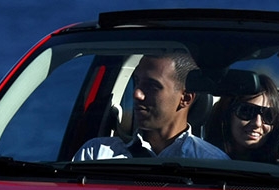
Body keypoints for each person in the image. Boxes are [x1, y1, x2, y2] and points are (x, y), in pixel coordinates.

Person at [73, 52, 228, 161]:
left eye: (152, 86)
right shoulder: (96, 154)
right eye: (137, 82)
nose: (137, 94)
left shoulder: (212, 163)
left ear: (185, 98)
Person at [207, 75, 279, 162]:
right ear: (227, 115)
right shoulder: (200, 159)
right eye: (246, 111)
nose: (257, 123)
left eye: (268, 115)